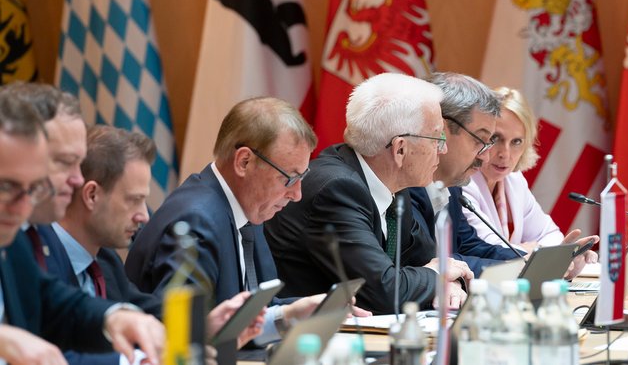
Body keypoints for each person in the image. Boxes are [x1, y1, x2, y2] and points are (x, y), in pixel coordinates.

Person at [126, 97, 352, 346]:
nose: (297, 194)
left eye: (303, 177)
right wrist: (284, 316)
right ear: (244, 162)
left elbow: (252, 307)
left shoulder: (247, 207)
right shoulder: (196, 221)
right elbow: (185, 335)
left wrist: (297, 310)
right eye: (289, 178)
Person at [45, 125, 263, 363]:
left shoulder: (104, 260)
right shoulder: (38, 260)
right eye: (134, 200)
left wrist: (205, 326)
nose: (144, 216)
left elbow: (147, 312)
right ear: (92, 195)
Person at [265, 73, 473, 314]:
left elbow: (431, 260)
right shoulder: (337, 190)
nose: (443, 149)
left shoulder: (393, 183)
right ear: (400, 149)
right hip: (306, 341)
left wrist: (449, 282)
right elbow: (384, 291)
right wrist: (437, 277)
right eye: (437, 138)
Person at [0, 91, 163, 364]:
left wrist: (115, 318)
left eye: (33, 188)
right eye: (7, 187)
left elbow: (51, 302)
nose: (22, 206)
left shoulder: (12, 235)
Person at [462, 87, 598, 278]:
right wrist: (539, 253)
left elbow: (550, 234)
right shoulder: (462, 182)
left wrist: (543, 252)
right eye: (495, 138)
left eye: (516, 142)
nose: (505, 154)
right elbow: (490, 249)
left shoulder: (514, 180)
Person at [408, 72, 525, 276]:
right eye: (479, 140)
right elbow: (427, 261)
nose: (486, 157)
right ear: (440, 130)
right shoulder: (404, 186)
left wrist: (529, 262)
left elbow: (469, 246)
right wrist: (520, 270)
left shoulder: (452, 185)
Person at [0, 82, 86, 272]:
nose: (79, 180)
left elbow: (52, 294)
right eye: (65, 161)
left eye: (80, 163)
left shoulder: (42, 235)